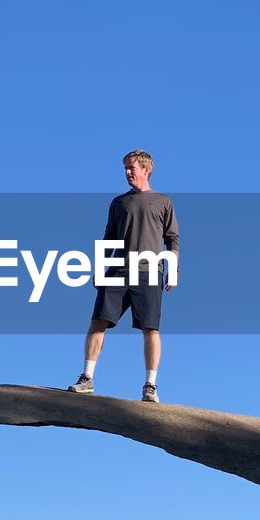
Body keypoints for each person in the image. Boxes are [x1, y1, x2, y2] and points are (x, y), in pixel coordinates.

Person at [67, 150, 179, 403]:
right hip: (117, 270)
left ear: (146, 169)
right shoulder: (118, 203)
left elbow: (172, 239)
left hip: (149, 271)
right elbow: (109, 238)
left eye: (132, 168)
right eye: (126, 169)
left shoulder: (163, 201)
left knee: (150, 328)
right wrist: (99, 267)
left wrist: (173, 269)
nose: (128, 172)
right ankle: (87, 378)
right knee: (98, 322)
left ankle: (150, 385)